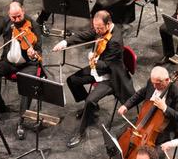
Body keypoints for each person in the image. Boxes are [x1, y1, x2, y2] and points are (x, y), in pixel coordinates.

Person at [56, 11, 131, 148]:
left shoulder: (115, 40)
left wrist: (94, 59)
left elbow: (108, 66)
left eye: (99, 28)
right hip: (98, 68)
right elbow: (86, 35)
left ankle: (80, 132)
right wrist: (65, 42)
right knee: (72, 80)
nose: (96, 31)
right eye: (95, 28)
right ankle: (91, 109)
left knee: (91, 99)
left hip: (111, 77)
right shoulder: (100, 30)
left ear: (108, 25)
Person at [0, 2, 44, 116]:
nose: (16, 20)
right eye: (13, 17)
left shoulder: (33, 25)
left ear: (23, 11)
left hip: (28, 64)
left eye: (19, 16)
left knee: (28, 84)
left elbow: (39, 48)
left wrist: (34, 54)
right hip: (8, 62)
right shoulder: (6, 21)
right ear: (9, 15)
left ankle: (22, 117)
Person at [118, 66, 178, 144]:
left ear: (167, 80)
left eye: (157, 84)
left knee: (149, 151)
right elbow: (140, 94)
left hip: (165, 127)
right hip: (146, 118)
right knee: (120, 134)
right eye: (153, 83)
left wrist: (165, 108)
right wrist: (126, 106)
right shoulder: (153, 82)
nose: (154, 86)